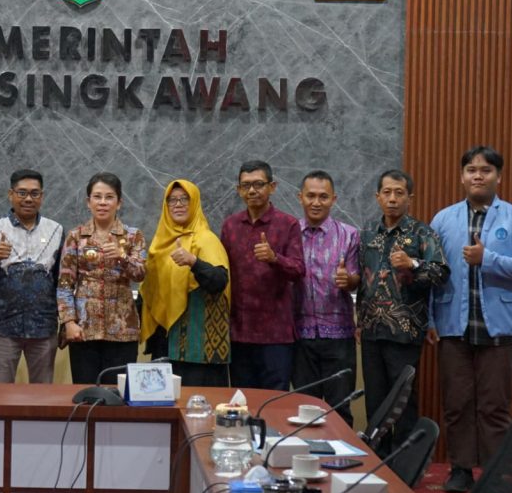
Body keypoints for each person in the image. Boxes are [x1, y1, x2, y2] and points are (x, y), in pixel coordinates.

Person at [428, 147, 512, 493]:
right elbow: (432, 272)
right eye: (471, 170)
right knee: (457, 403)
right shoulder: (442, 219)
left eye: (486, 170)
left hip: (500, 329)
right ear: (462, 176)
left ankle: (494, 473)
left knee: (494, 407)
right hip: (453, 326)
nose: (478, 175)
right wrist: (430, 318)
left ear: (498, 177)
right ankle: (461, 469)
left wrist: (487, 258)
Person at [357, 169, 448, 452]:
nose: (392, 199)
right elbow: (363, 280)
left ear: (410, 197)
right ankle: (378, 458)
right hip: (371, 329)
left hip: (405, 331)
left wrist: (413, 264)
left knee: (403, 402)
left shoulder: (422, 233)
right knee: (375, 400)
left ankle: (403, 463)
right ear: (378, 197)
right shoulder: (367, 233)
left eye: (399, 193)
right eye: (387, 193)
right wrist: (358, 321)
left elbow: (441, 273)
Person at [219, 161, 305, 391]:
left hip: (276, 334)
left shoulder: (288, 224)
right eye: (245, 185)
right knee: (242, 401)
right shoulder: (230, 226)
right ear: (238, 190)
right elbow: (223, 273)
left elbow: (299, 270)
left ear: (272, 187)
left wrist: (274, 258)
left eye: (258, 184)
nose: (252, 191)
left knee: (273, 402)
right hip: (239, 332)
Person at [57, 172, 146, 384]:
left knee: (118, 393)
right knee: (87, 392)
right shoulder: (76, 236)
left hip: (122, 330)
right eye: (97, 197)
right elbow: (64, 284)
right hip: (84, 330)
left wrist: (122, 257)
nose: (103, 202)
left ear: (119, 202)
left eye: (109, 197)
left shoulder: (133, 236)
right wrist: (69, 322)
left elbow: (141, 274)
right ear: (88, 202)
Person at [139, 180, 230, 386]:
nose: (178, 204)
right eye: (172, 200)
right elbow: (149, 292)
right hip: (164, 345)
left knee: (196, 403)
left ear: (195, 203)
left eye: (184, 199)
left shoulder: (206, 239)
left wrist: (194, 262)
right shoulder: (159, 244)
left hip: (197, 347)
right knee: (162, 402)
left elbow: (219, 281)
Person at [0, 169, 64, 383]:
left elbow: (63, 280)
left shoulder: (56, 230)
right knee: (1, 391)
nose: (28, 199)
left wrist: (66, 319)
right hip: (3, 324)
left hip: (43, 324)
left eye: (34, 193)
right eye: (22, 193)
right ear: (11, 194)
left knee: (43, 393)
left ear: (42, 196)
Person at [292, 171, 360, 425]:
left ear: (334, 199)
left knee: (339, 411)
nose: (316, 202)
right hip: (300, 335)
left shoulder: (349, 234)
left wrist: (348, 281)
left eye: (323, 196)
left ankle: (340, 452)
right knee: (304, 412)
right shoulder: (289, 233)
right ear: (300, 197)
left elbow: (357, 279)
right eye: (310, 196)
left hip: (339, 336)